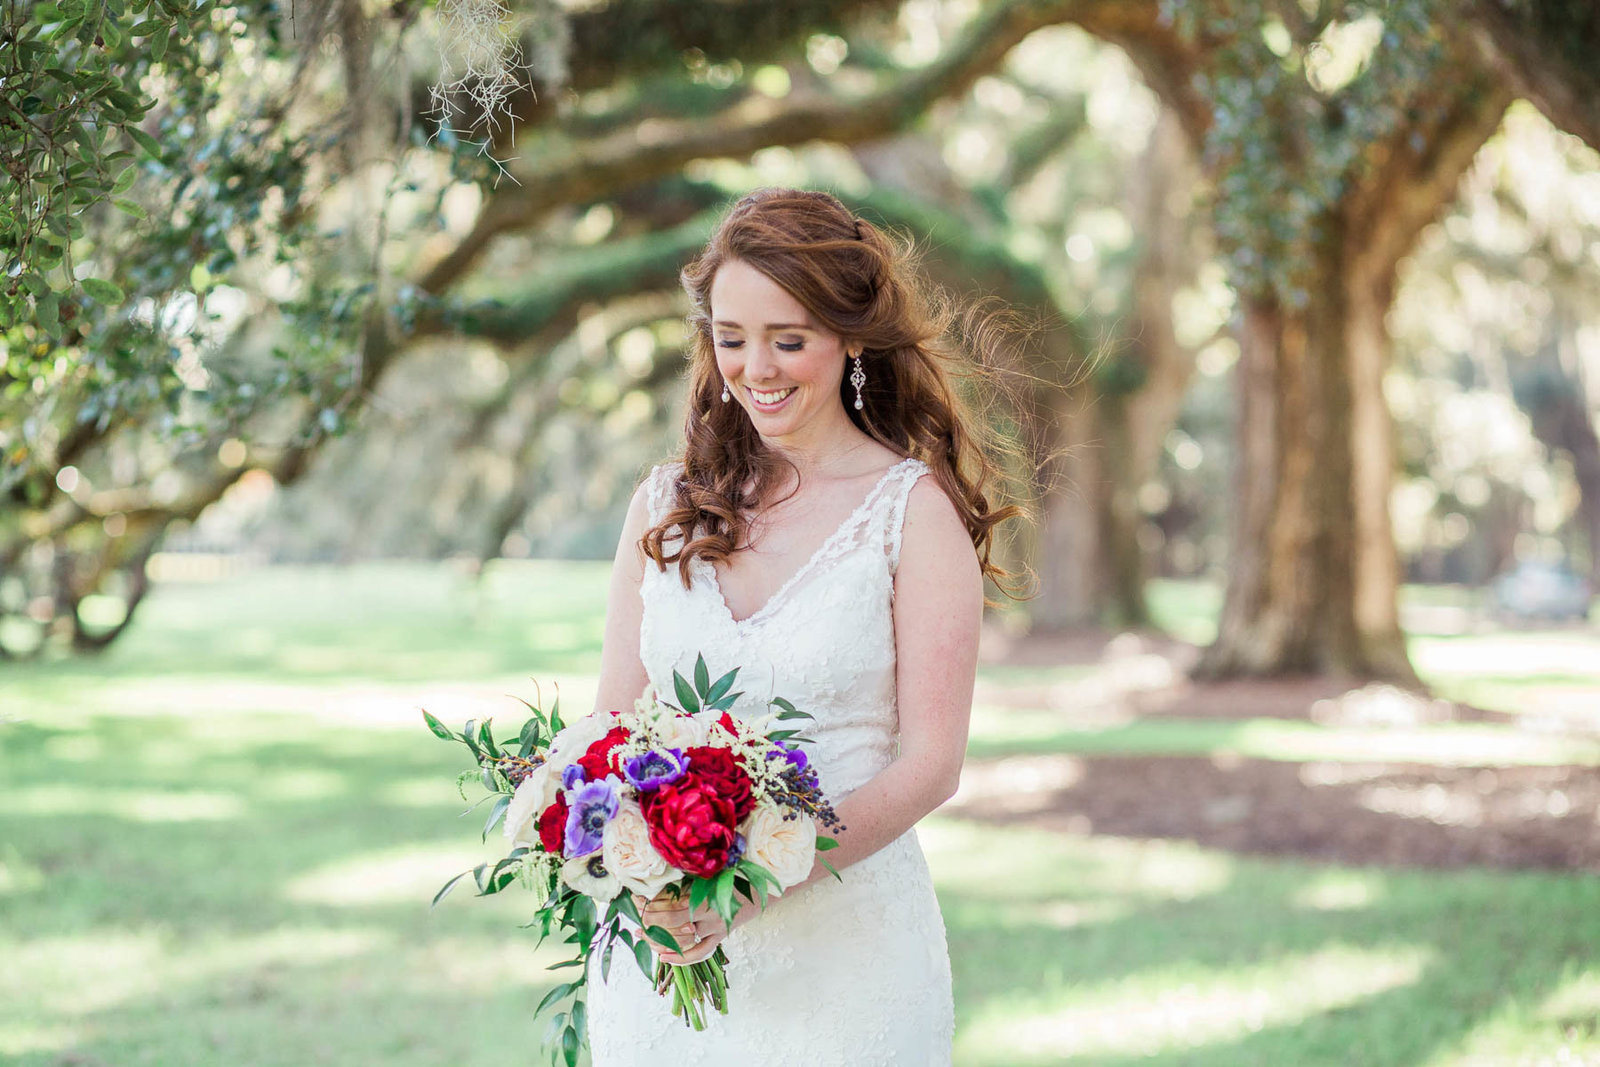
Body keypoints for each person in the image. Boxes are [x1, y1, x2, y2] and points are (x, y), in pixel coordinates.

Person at [585, 187, 1024, 1065]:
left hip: (847, 961)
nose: (758, 369)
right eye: (732, 337)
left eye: (789, 339)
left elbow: (931, 766)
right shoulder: (664, 505)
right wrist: (628, 866)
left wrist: (753, 882)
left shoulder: (912, 514)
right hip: (662, 968)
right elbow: (611, 728)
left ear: (852, 336)